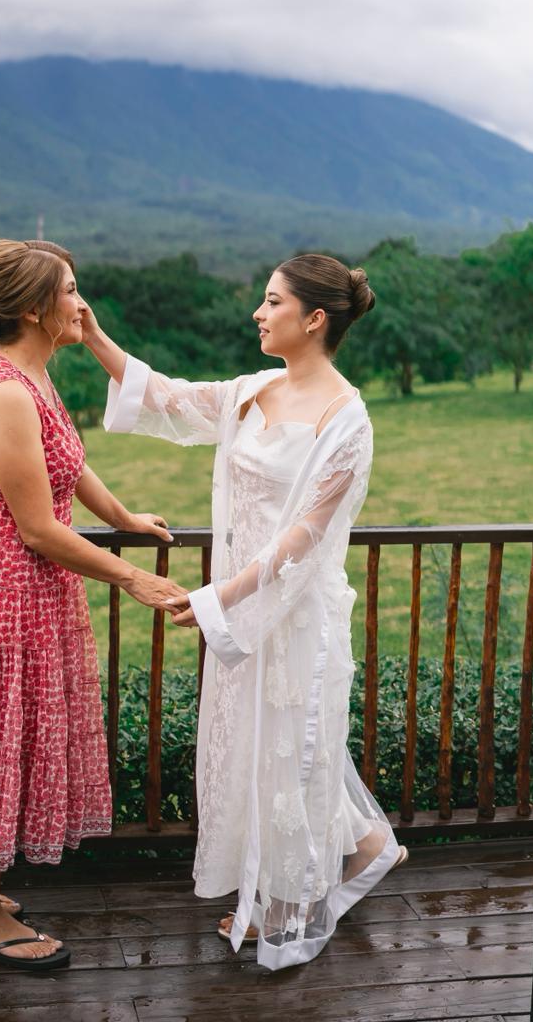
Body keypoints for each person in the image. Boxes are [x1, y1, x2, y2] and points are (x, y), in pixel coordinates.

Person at [82, 253, 407, 971]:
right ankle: (363, 845)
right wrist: (94, 336)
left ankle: (287, 904)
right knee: (260, 747)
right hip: (242, 608)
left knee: (291, 749)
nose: (258, 314)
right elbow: (167, 398)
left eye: (271, 302)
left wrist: (216, 599)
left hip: (293, 614)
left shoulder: (346, 419)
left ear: (314, 319)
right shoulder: (254, 390)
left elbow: (304, 538)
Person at [0, 239, 185, 971]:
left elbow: (68, 462)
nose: (83, 306)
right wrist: (131, 577)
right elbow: (37, 527)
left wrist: (122, 517)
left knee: (4, 735)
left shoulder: (32, 380)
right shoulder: (4, 392)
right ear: (33, 308)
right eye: (71, 292)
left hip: (26, 591)